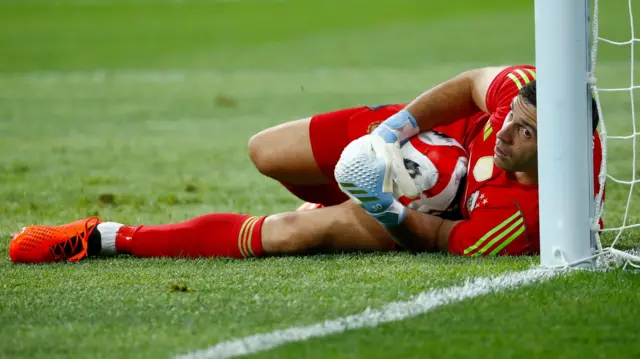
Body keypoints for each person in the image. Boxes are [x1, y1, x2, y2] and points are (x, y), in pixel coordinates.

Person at [8, 65, 603, 264]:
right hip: (423, 137)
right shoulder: (528, 91)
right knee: (264, 151)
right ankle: (333, 194)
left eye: (523, 134)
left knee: (298, 233)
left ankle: (103, 238)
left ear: (557, 152)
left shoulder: (519, 221)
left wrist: (382, 206)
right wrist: (399, 130)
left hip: (428, 208)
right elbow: (475, 83)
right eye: (512, 117)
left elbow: (443, 237)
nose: (505, 131)